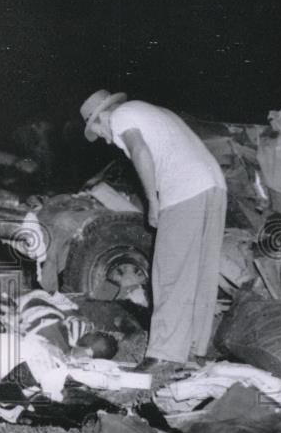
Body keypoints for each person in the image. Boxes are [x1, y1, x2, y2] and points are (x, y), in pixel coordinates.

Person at [80, 89, 226, 373]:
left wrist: (153, 200)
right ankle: (196, 350)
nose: (105, 140)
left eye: (98, 132)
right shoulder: (154, 111)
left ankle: (163, 354)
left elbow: (139, 151)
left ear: (101, 118)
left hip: (185, 189)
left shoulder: (121, 116)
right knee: (199, 271)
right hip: (213, 185)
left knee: (168, 272)